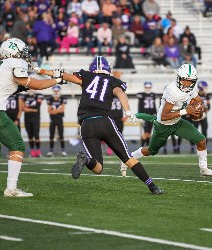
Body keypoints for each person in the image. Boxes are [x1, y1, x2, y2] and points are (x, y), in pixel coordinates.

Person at [33, 56, 163, 195]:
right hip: (105, 121)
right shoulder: (113, 81)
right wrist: (128, 110)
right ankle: (152, 186)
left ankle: (87, 160)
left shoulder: (86, 76)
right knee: (128, 158)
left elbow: (63, 74)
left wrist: (40, 70)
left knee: (98, 168)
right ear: (108, 69)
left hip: (87, 125)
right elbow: (120, 93)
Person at [0, 37, 64, 197]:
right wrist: (57, 79)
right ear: (13, 53)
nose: (24, 56)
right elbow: (38, 85)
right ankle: (11, 189)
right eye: (21, 53)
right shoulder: (14, 63)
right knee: (17, 145)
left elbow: (4, 84)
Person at [120, 64, 212, 178]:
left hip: (177, 122)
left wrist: (199, 107)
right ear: (178, 78)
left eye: (190, 81)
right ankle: (127, 159)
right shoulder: (172, 91)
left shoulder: (192, 87)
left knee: (201, 140)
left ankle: (203, 169)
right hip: (163, 125)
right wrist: (186, 111)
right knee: (151, 151)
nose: (187, 84)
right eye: (184, 80)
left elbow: (198, 100)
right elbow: (164, 116)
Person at [21, 89, 44, 158]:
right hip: (27, 119)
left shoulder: (39, 95)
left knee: (36, 136)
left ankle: (38, 151)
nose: (30, 89)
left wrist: (28, 108)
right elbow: (23, 108)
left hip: (36, 119)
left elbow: (37, 107)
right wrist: (32, 109)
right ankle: (32, 152)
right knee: (30, 137)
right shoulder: (24, 96)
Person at [46, 85, 67, 157]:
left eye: (57, 91)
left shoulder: (62, 98)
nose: (56, 92)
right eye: (55, 91)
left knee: (61, 135)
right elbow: (49, 111)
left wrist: (54, 111)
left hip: (60, 119)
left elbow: (62, 110)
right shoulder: (50, 99)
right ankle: (51, 150)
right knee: (51, 135)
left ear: (59, 91)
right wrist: (57, 111)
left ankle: (63, 150)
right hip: (52, 119)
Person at [137, 81, 157, 147]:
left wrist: (156, 114)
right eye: (146, 87)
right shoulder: (141, 95)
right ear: (144, 87)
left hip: (151, 116)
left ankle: (148, 147)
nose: (148, 88)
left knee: (149, 133)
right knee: (145, 133)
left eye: (149, 87)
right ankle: (142, 147)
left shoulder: (153, 95)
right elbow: (139, 106)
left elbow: (154, 106)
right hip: (145, 116)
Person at [191, 81, 211, 145]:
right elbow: (191, 105)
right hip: (196, 116)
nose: (206, 89)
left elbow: (208, 107)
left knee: (204, 131)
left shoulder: (207, 96)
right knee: (194, 131)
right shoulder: (195, 95)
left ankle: (204, 146)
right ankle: (193, 146)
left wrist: (204, 110)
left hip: (204, 116)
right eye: (204, 87)